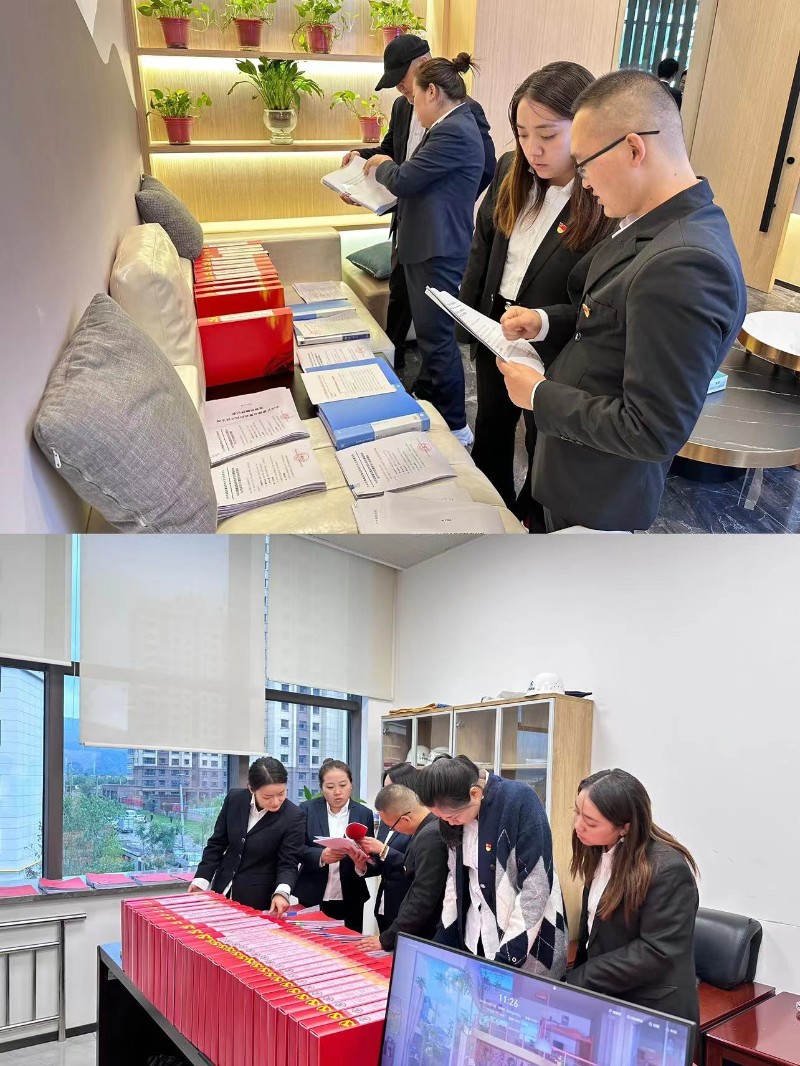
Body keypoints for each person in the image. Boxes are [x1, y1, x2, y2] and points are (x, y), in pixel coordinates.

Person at [499, 69, 747, 532]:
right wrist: (546, 321)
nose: (583, 181)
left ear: (634, 149)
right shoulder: (655, 223)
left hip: (598, 490)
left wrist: (538, 394)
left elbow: (651, 429)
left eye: (585, 164)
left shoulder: (686, 262)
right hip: (574, 468)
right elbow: (616, 319)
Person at [460, 62, 615, 516]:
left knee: (541, 439)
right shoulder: (512, 168)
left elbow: (594, 296)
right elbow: (484, 245)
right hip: (496, 326)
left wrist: (545, 323)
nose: (533, 149)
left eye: (547, 135)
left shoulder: (603, 198)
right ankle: (491, 515)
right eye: (523, 134)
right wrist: (469, 317)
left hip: (554, 340)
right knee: (490, 427)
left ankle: (530, 519)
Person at [341, 34, 495, 372]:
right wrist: (359, 160)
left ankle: (432, 387)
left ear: (424, 69)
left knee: (435, 335)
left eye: (403, 79)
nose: (401, 89)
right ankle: (395, 368)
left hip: (436, 232)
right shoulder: (402, 106)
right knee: (402, 300)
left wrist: (449, 201)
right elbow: (390, 151)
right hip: (407, 224)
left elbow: (485, 168)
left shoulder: (463, 113)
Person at [362, 54, 487, 445]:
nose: (413, 109)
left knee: (437, 339)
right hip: (427, 245)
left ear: (432, 92)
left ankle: (457, 427)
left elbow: (405, 178)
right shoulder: (448, 125)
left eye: (415, 99)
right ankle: (441, 411)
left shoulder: (454, 130)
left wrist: (382, 163)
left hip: (439, 250)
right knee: (434, 339)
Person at [566, 768, 699, 1025]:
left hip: (649, 1006)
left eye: (590, 822)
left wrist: (582, 978)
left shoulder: (668, 870)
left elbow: (656, 951)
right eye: (577, 812)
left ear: (625, 827)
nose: (578, 825)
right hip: (608, 993)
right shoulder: (601, 849)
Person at [415, 755, 567, 977]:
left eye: (452, 816)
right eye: (442, 818)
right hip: (476, 933)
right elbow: (455, 877)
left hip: (528, 940)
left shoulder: (519, 801)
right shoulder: (455, 812)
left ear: (475, 793)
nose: (449, 822)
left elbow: (536, 886)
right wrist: (445, 933)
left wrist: (507, 956)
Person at [190, 756, 303, 914]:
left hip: (258, 899)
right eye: (267, 797)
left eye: (281, 793)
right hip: (222, 890)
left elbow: (288, 862)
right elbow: (217, 843)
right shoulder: (234, 799)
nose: (276, 802)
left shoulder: (293, 816)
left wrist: (282, 892)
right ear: (251, 789)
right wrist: (202, 879)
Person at [357, 783, 448, 952]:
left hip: (429, 933)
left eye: (392, 827)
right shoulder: (429, 829)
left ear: (405, 819)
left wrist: (388, 938)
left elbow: (422, 897)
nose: (392, 831)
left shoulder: (430, 837)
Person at [294, 758, 375, 932]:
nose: (337, 792)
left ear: (351, 785)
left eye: (343, 785)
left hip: (351, 895)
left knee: (349, 943)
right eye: (330, 787)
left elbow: (371, 856)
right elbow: (296, 849)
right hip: (313, 892)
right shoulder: (307, 809)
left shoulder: (364, 814)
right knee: (310, 942)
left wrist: (360, 863)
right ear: (321, 788)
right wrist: (321, 856)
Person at [368, 761, 418, 933]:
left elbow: (414, 863)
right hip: (384, 901)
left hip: (406, 905)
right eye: (384, 789)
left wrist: (383, 850)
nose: (386, 796)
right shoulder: (386, 819)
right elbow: (378, 865)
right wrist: (361, 860)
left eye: (391, 790)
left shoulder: (418, 822)